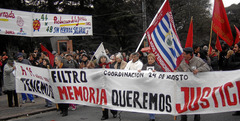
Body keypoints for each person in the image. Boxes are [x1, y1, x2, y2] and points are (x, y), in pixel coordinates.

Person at [177, 47, 210, 121]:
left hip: (195, 87)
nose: (183, 55)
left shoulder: (198, 60)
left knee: (196, 102)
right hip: (186, 87)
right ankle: (183, 118)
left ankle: (197, 118)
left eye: (185, 54)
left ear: (190, 54)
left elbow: (207, 67)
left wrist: (198, 70)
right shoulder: (183, 62)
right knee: (184, 102)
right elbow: (179, 71)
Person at [140, 53, 163, 121]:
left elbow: (162, 75)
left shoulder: (158, 67)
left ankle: (152, 115)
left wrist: (157, 72)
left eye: (151, 59)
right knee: (148, 101)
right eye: (149, 59)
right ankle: (151, 116)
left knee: (153, 101)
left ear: (154, 59)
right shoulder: (144, 66)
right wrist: (139, 72)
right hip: (147, 86)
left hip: (155, 86)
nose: (150, 60)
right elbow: (141, 76)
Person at [96, 54, 117, 120]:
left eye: (104, 58)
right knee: (103, 101)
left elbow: (114, 75)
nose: (103, 59)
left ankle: (114, 112)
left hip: (109, 85)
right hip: (101, 86)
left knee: (110, 100)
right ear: (99, 59)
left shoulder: (110, 66)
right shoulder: (97, 67)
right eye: (101, 58)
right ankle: (104, 115)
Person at [227, 42, 240, 116]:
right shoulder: (233, 56)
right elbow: (229, 64)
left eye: (235, 47)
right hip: (236, 78)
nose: (234, 49)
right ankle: (238, 110)